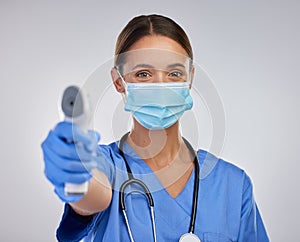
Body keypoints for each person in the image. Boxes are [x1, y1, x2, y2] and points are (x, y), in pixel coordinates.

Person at [41, 14, 269, 242]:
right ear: (118, 81)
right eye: (143, 74)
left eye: (174, 73)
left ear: (190, 78)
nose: (160, 85)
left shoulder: (233, 186)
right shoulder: (105, 164)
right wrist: (76, 172)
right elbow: (94, 195)